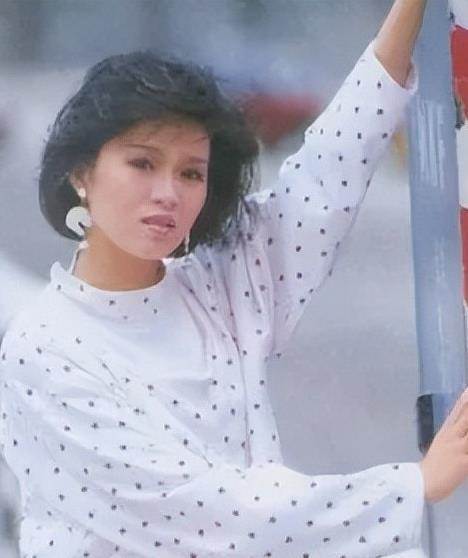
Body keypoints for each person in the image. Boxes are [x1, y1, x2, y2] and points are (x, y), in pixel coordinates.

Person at [1, 1, 467, 557]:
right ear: (82, 173)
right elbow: (201, 512)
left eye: (190, 172)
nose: (168, 193)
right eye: (142, 163)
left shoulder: (214, 286)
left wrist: (410, 8)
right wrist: (411, 486)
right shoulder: (44, 347)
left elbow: (326, 177)